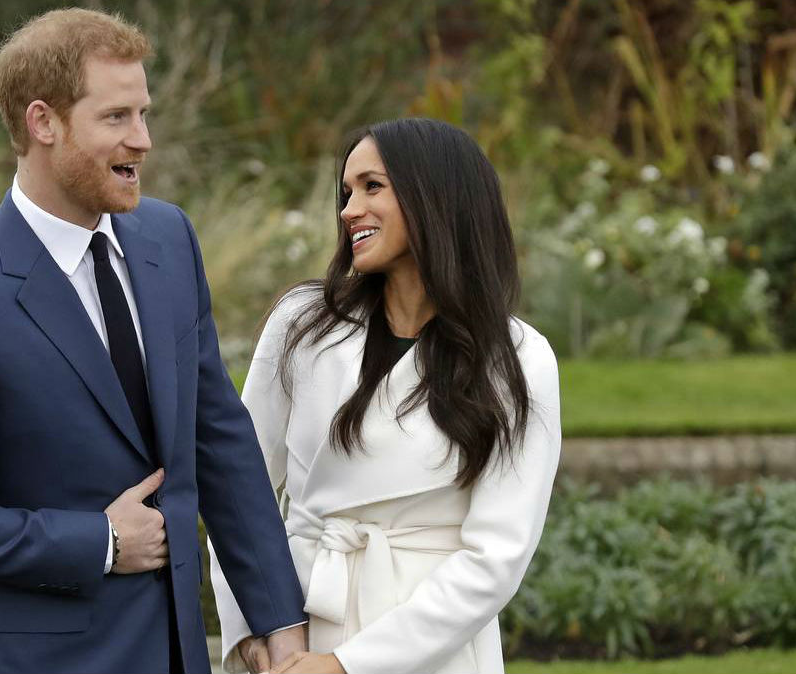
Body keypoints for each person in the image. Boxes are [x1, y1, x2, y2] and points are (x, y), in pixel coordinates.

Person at [0, 9, 306, 674]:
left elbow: (217, 437)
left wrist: (279, 619)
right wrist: (97, 542)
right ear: (43, 122)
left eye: (143, 113)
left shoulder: (170, 241)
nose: (143, 140)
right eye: (117, 118)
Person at [210, 118, 562, 674]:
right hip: (295, 635)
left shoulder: (517, 358)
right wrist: (253, 634)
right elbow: (238, 487)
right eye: (346, 192)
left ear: (436, 197)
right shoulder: (302, 326)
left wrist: (347, 665)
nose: (349, 210)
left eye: (372, 187)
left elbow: (496, 557)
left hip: (432, 650)